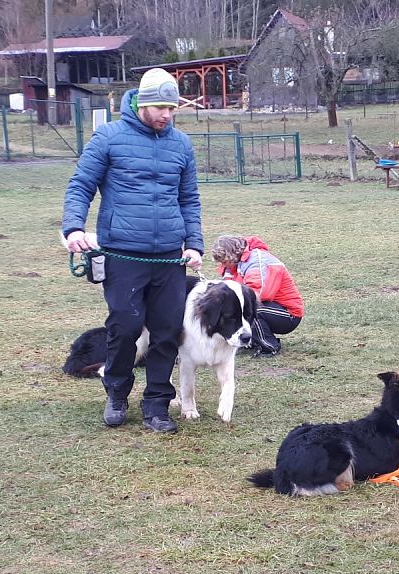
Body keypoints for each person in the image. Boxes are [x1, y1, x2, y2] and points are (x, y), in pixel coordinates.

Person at [62, 68, 203, 434]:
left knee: (167, 330)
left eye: (172, 109)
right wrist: (74, 227)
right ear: (141, 102)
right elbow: (81, 185)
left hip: (170, 256)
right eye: (160, 107)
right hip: (123, 254)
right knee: (124, 327)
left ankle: (157, 404)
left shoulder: (181, 145)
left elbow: (189, 199)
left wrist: (195, 244)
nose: (167, 116)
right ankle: (117, 392)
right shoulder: (108, 137)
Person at [211, 235, 304, 357]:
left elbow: (258, 294)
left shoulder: (257, 261)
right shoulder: (235, 264)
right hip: (271, 307)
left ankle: (269, 346)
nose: (223, 265)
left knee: (251, 310)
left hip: (289, 314)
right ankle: (248, 340)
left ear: (231, 255)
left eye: (224, 261)